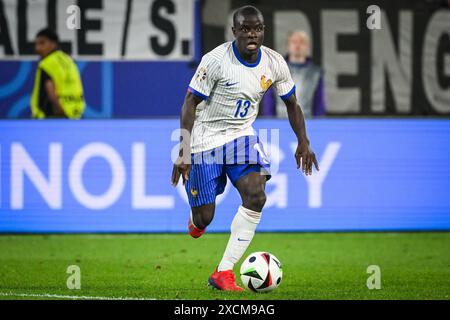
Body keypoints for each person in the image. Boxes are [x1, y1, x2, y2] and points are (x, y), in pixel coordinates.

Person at [171, 6, 319, 292]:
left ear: (263, 30)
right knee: (205, 218)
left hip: (241, 137)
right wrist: (184, 149)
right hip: (206, 139)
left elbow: (292, 104)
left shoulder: (274, 63)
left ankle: (223, 272)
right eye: (246, 29)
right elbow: (189, 103)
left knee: (256, 195)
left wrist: (303, 141)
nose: (253, 34)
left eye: (258, 28)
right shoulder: (215, 61)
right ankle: (195, 220)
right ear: (235, 31)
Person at [264, 30, 326, 118]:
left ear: (308, 46)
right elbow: (268, 102)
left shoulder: (315, 73)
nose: (297, 45)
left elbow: (319, 105)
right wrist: (269, 123)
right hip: (279, 124)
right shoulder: (275, 70)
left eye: (302, 42)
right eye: (294, 42)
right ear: (288, 46)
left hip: (307, 126)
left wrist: (319, 127)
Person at [31, 28, 85, 119]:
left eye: (42, 43)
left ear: (53, 43)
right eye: (36, 44)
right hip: (75, 113)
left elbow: (51, 92)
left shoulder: (47, 63)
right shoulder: (69, 60)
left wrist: (61, 112)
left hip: (53, 117)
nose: (37, 48)